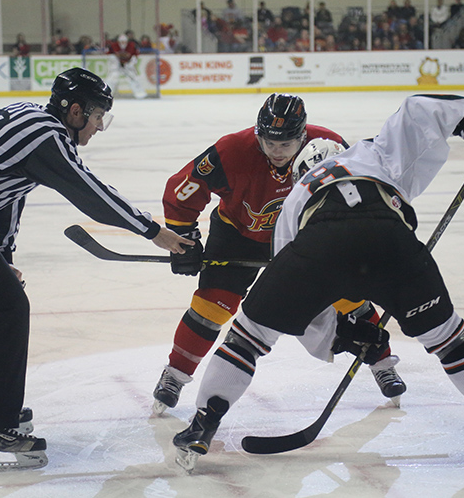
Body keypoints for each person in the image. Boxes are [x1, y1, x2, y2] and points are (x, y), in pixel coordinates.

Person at [172, 94, 464, 472]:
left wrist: (337, 335)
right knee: (450, 338)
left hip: (321, 244)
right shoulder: (369, 154)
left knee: (249, 337)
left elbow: (303, 288)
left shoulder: (296, 197)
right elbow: (417, 113)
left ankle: (203, 424)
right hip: (393, 241)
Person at [0, 68, 192, 473]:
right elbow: (89, 192)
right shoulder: (45, 135)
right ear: (74, 110)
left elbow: (8, 192)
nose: (99, 126)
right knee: (4, 312)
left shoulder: (32, 120)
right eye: (97, 115)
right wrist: (153, 231)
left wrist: (3, 255)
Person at [152, 93, 407, 415]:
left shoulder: (328, 146)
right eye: (268, 143)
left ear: (302, 137)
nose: (276, 151)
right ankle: (174, 374)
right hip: (237, 235)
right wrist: (185, 239)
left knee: (349, 296)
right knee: (211, 306)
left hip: (303, 235)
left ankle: (383, 364)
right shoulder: (231, 151)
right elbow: (182, 190)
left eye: (285, 145)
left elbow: (359, 191)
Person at [107, 33, 147, 99]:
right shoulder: (114, 45)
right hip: (117, 65)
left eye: (124, 42)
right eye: (121, 42)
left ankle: (139, 93)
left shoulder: (131, 46)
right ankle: (108, 93)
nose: (123, 43)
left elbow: (132, 56)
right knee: (113, 77)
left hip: (128, 64)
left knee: (133, 77)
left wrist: (130, 64)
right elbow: (112, 55)